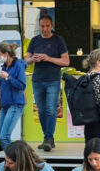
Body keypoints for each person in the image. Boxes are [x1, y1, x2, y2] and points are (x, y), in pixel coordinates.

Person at [27, 15, 69, 152]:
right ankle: (48, 138)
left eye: (47, 26)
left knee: (51, 109)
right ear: (39, 27)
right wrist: (33, 58)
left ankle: (48, 138)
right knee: (41, 110)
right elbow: (25, 60)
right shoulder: (34, 41)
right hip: (37, 79)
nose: (44, 29)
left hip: (53, 80)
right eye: (42, 26)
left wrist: (48, 58)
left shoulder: (59, 40)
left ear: (52, 26)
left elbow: (66, 62)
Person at [0, 41, 26, 152]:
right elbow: (4, 84)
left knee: (4, 137)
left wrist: (9, 77)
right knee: (1, 137)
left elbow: (22, 85)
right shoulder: (5, 67)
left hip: (15, 104)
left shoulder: (18, 65)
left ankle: (15, 160)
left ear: (6, 54)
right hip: (6, 105)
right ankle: (13, 160)